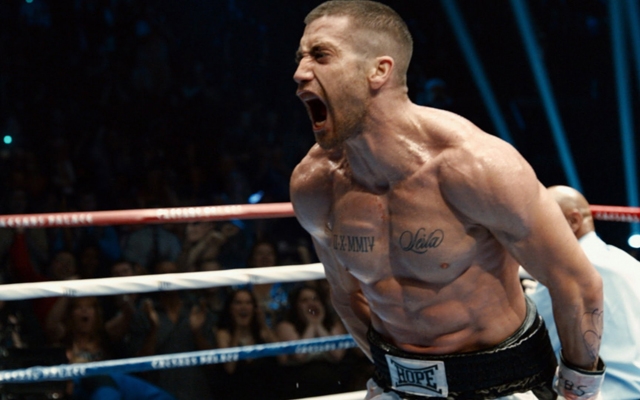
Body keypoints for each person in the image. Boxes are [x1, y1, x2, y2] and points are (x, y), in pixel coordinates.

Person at [289, 1, 605, 399]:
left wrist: (579, 390)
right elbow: (345, 293)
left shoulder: (474, 166)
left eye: (320, 55)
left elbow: (576, 282)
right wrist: (399, 375)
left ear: (379, 70)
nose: (300, 72)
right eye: (300, 57)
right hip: (396, 385)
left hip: (505, 384)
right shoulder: (315, 185)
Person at [527, 185, 640, 399]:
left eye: (539, 224)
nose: (531, 236)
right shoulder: (627, 262)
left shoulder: (566, 271)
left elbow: (532, 347)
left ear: (573, 221)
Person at [275, 285, 349, 398]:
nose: (311, 303)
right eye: (304, 300)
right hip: (299, 380)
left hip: (332, 378)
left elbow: (337, 355)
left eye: (315, 299)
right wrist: (311, 325)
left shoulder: (333, 324)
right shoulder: (286, 326)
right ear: (296, 305)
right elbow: (299, 355)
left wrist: (318, 325)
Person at [214, 288, 283, 399]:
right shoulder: (223, 334)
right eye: (238, 303)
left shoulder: (263, 332)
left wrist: (264, 325)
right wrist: (237, 329)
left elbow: (283, 358)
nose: (244, 307)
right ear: (230, 308)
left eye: (248, 303)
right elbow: (229, 368)